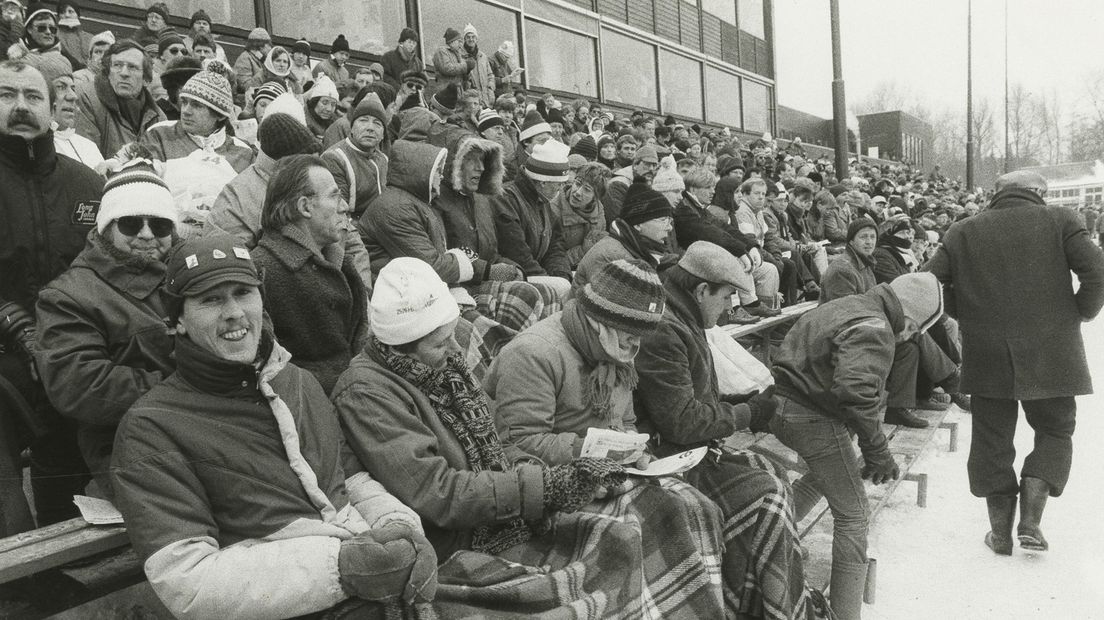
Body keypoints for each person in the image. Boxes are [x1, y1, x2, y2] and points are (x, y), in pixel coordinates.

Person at [333, 257, 717, 616]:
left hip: (505, 514)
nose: (455, 351)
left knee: (655, 523)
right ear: (402, 347)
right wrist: (549, 485)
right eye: (440, 343)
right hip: (461, 541)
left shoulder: (442, 367)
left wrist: (573, 476)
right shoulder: (367, 394)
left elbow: (500, 445)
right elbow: (440, 494)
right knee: (619, 553)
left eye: (452, 337)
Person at [110, 234, 437, 618]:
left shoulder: (299, 383)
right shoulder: (151, 428)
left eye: (243, 292)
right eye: (210, 299)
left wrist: (399, 528)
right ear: (177, 320)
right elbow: (187, 579)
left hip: (367, 592)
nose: (233, 312)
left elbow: (349, 480)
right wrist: (342, 567)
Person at [484, 259, 728, 617]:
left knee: (698, 507)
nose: (638, 341)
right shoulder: (534, 352)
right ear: (602, 319)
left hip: (607, 471)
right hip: (555, 485)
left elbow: (624, 419)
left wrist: (635, 448)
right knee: (653, 525)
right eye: (632, 331)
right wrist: (595, 451)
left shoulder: (615, 350)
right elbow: (520, 443)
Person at [633, 241, 824, 619]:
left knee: (774, 473)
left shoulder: (683, 316)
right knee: (767, 496)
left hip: (689, 449)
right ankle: (768, 606)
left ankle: (767, 595)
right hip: (664, 460)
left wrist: (750, 400)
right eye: (726, 297)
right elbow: (684, 422)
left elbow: (698, 395)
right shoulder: (664, 331)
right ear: (702, 289)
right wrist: (748, 413)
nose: (729, 307)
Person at [925, 170, 1104, 555]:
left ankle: (1001, 534)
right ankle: (1031, 521)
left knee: (991, 438)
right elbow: (1099, 271)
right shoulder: (1061, 220)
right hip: (1053, 350)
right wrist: (1081, 311)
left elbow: (928, 283)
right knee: (1055, 431)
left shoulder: (962, 230)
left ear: (996, 194)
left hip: (987, 352)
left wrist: (965, 311)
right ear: (1038, 193)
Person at [771, 272, 945, 620]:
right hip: (810, 416)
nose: (909, 337)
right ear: (909, 317)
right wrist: (877, 450)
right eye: (913, 330)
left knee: (826, 477)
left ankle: (772, 537)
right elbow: (855, 390)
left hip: (781, 404)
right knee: (853, 513)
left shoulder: (849, 305)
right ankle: (846, 612)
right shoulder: (876, 326)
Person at [0, 59, 104, 535]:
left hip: (79, 348)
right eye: (7, 95)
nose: (20, 107)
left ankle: (73, 544)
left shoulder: (87, 184)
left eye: (32, 96)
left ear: (52, 107)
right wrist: (20, 330)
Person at [34, 161, 176, 500]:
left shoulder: (189, 271)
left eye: (159, 224)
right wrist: (186, 386)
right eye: (130, 223)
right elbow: (78, 385)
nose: (146, 234)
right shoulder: (68, 295)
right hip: (129, 439)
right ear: (105, 227)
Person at [251, 155, 369, 393]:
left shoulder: (337, 261)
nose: (345, 206)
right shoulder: (262, 270)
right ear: (305, 206)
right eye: (334, 196)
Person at [493, 139, 573, 298]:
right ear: (543, 182)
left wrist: (560, 273)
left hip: (535, 271)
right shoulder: (507, 199)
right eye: (559, 184)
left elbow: (555, 246)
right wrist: (550, 281)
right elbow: (517, 253)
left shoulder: (542, 201)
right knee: (563, 289)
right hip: (515, 275)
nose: (561, 189)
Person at [573, 181, 675, 296]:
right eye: (663, 220)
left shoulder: (634, 248)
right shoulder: (615, 257)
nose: (669, 227)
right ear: (638, 224)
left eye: (670, 221)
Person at [75, 39, 165, 157]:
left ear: (146, 80)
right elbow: (87, 160)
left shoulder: (158, 117)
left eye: (132, 67)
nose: (124, 73)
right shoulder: (86, 98)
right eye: (117, 65)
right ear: (108, 73)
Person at [24, 45, 102, 169]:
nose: (73, 96)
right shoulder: (29, 148)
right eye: (61, 87)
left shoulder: (88, 146)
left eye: (73, 88)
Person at [322, 92, 390, 218]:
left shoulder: (383, 159)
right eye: (363, 121)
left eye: (377, 123)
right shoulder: (335, 158)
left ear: (382, 135)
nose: (370, 128)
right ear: (351, 128)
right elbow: (337, 214)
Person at [552, 161, 610, 269]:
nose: (578, 192)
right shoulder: (553, 210)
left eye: (587, 190)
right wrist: (583, 250)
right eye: (577, 183)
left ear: (596, 197)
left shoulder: (599, 213)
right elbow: (551, 258)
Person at [602, 144, 658, 223]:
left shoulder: (646, 184)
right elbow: (617, 221)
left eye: (654, 165)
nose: (651, 169)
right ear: (635, 165)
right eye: (647, 164)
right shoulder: (618, 185)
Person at [232, 27, 271, 101]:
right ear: (260, 46)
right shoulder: (245, 58)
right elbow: (244, 85)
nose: (270, 48)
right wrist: (263, 73)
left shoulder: (262, 59)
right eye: (268, 45)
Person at [459, 23, 493, 107]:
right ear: (464, 39)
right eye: (468, 37)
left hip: (486, 101)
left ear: (476, 39)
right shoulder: (459, 56)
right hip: (470, 102)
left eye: (473, 37)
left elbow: (490, 75)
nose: (471, 39)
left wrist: (491, 90)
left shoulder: (483, 57)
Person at [380, 27, 422, 92]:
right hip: (393, 95)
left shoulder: (418, 63)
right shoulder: (388, 57)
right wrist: (400, 89)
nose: (411, 45)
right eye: (409, 42)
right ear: (402, 42)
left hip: (412, 97)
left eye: (414, 43)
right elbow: (385, 76)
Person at [54, 0, 90, 69]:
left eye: (70, 11)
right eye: (62, 12)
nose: (67, 15)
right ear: (59, 16)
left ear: (77, 15)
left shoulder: (88, 37)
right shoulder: (54, 35)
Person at [304, 74, 339, 141]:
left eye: (333, 104)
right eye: (324, 103)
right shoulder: (303, 122)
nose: (329, 109)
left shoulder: (335, 122)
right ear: (314, 102)